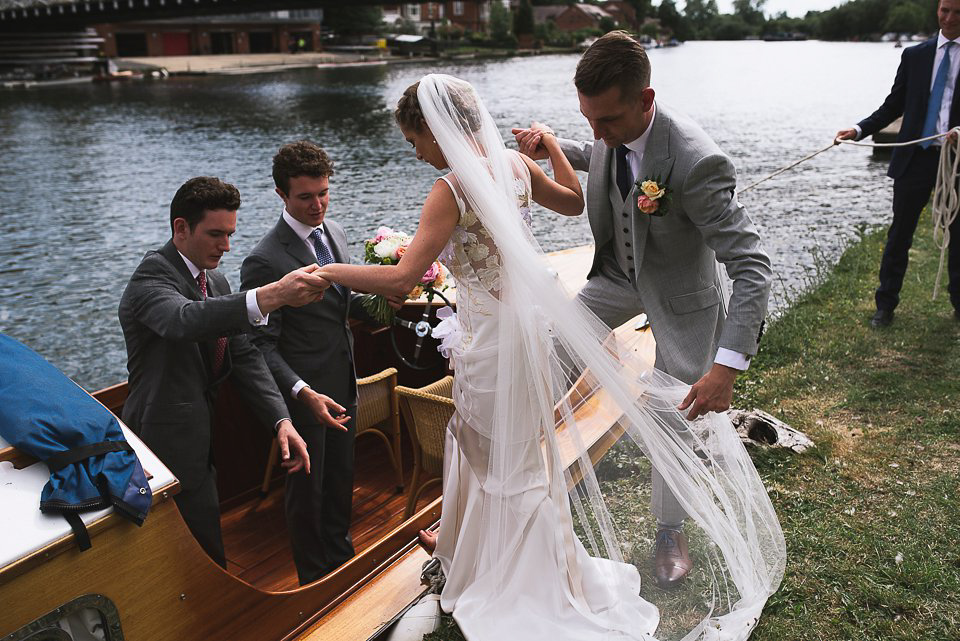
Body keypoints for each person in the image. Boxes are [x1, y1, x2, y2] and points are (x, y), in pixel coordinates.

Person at [317, 74, 784, 640]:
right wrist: (556, 153)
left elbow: (403, 276)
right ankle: (475, 543)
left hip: (490, 338)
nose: (415, 149)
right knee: (509, 450)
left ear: (438, 131)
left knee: (487, 447)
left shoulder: (449, 188)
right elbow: (571, 202)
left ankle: (514, 568)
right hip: (523, 328)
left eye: (416, 138)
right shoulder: (514, 165)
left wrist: (325, 273)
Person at [513, 30, 773, 588]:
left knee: (672, 414)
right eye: (588, 119)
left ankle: (669, 530)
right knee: (550, 348)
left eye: (606, 120)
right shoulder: (609, 130)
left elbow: (753, 267)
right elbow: (605, 153)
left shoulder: (699, 164)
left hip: (683, 294)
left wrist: (726, 368)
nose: (597, 132)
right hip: (617, 277)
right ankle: (516, 495)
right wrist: (556, 147)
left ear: (646, 101)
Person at [119, 176, 327, 568]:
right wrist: (273, 295)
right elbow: (183, 320)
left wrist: (280, 420)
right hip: (161, 448)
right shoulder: (150, 278)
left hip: (203, 442)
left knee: (205, 552)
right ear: (181, 228)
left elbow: (245, 355)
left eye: (231, 234)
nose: (227, 246)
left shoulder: (214, 279)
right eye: (216, 234)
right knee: (190, 559)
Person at [241, 141, 375, 584]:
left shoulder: (332, 231)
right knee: (306, 492)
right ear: (281, 194)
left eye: (323, 193)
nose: (317, 205)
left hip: (343, 382)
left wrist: (395, 299)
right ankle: (314, 581)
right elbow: (261, 346)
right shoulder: (264, 260)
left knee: (340, 481)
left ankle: (342, 564)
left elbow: (343, 304)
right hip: (302, 396)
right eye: (305, 197)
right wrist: (301, 391)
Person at [836, 0, 960, 328]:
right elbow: (894, 104)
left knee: (959, 235)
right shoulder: (915, 55)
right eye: (944, 10)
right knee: (899, 234)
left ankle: (959, 303)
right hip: (914, 159)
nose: (948, 18)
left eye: (957, 12)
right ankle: (885, 305)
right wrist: (860, 129)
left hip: (956, 164)